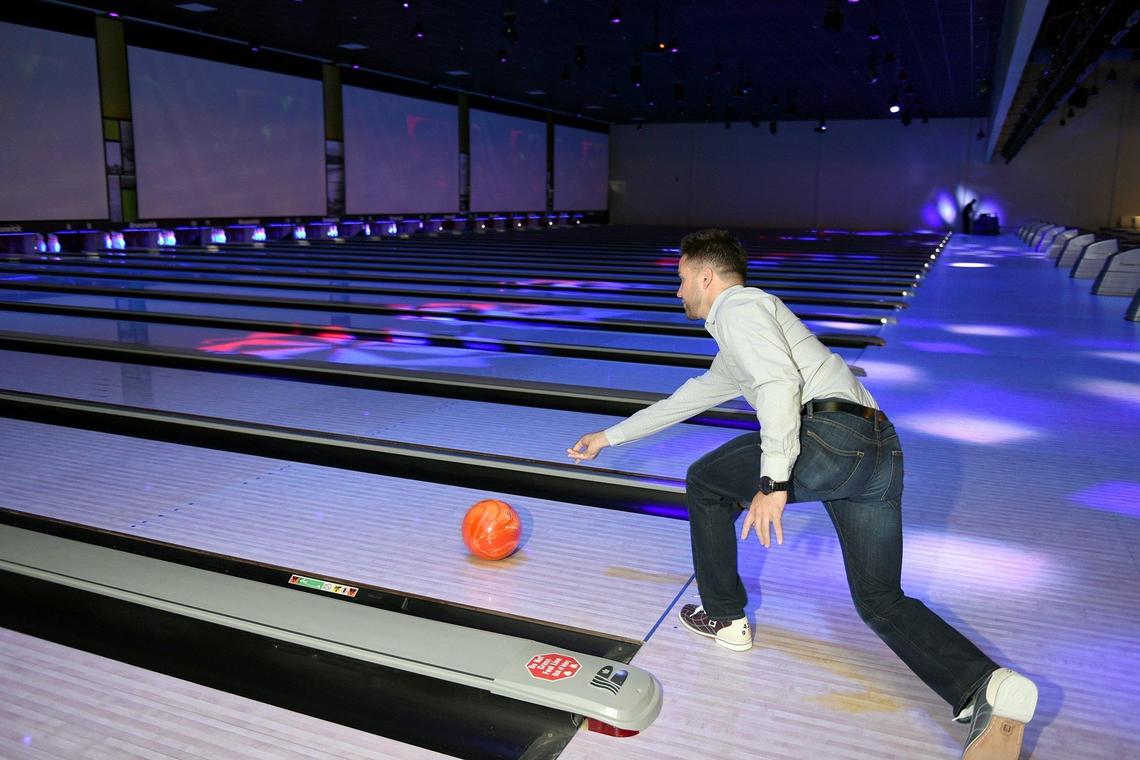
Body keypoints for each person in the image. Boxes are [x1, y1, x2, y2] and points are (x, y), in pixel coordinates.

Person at [567, 229, 1037, 760]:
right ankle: (988, 688)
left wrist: (773, 483)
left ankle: (725, 615)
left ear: (706, 276)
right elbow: (690, 398)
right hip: (879, 451)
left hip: (830, 438)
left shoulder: (738, 307)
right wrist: (610, 436)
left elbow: (776, 389)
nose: (678, 293)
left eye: (680, 280)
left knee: (704, 482)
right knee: (881, 600)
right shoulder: (745, 333)